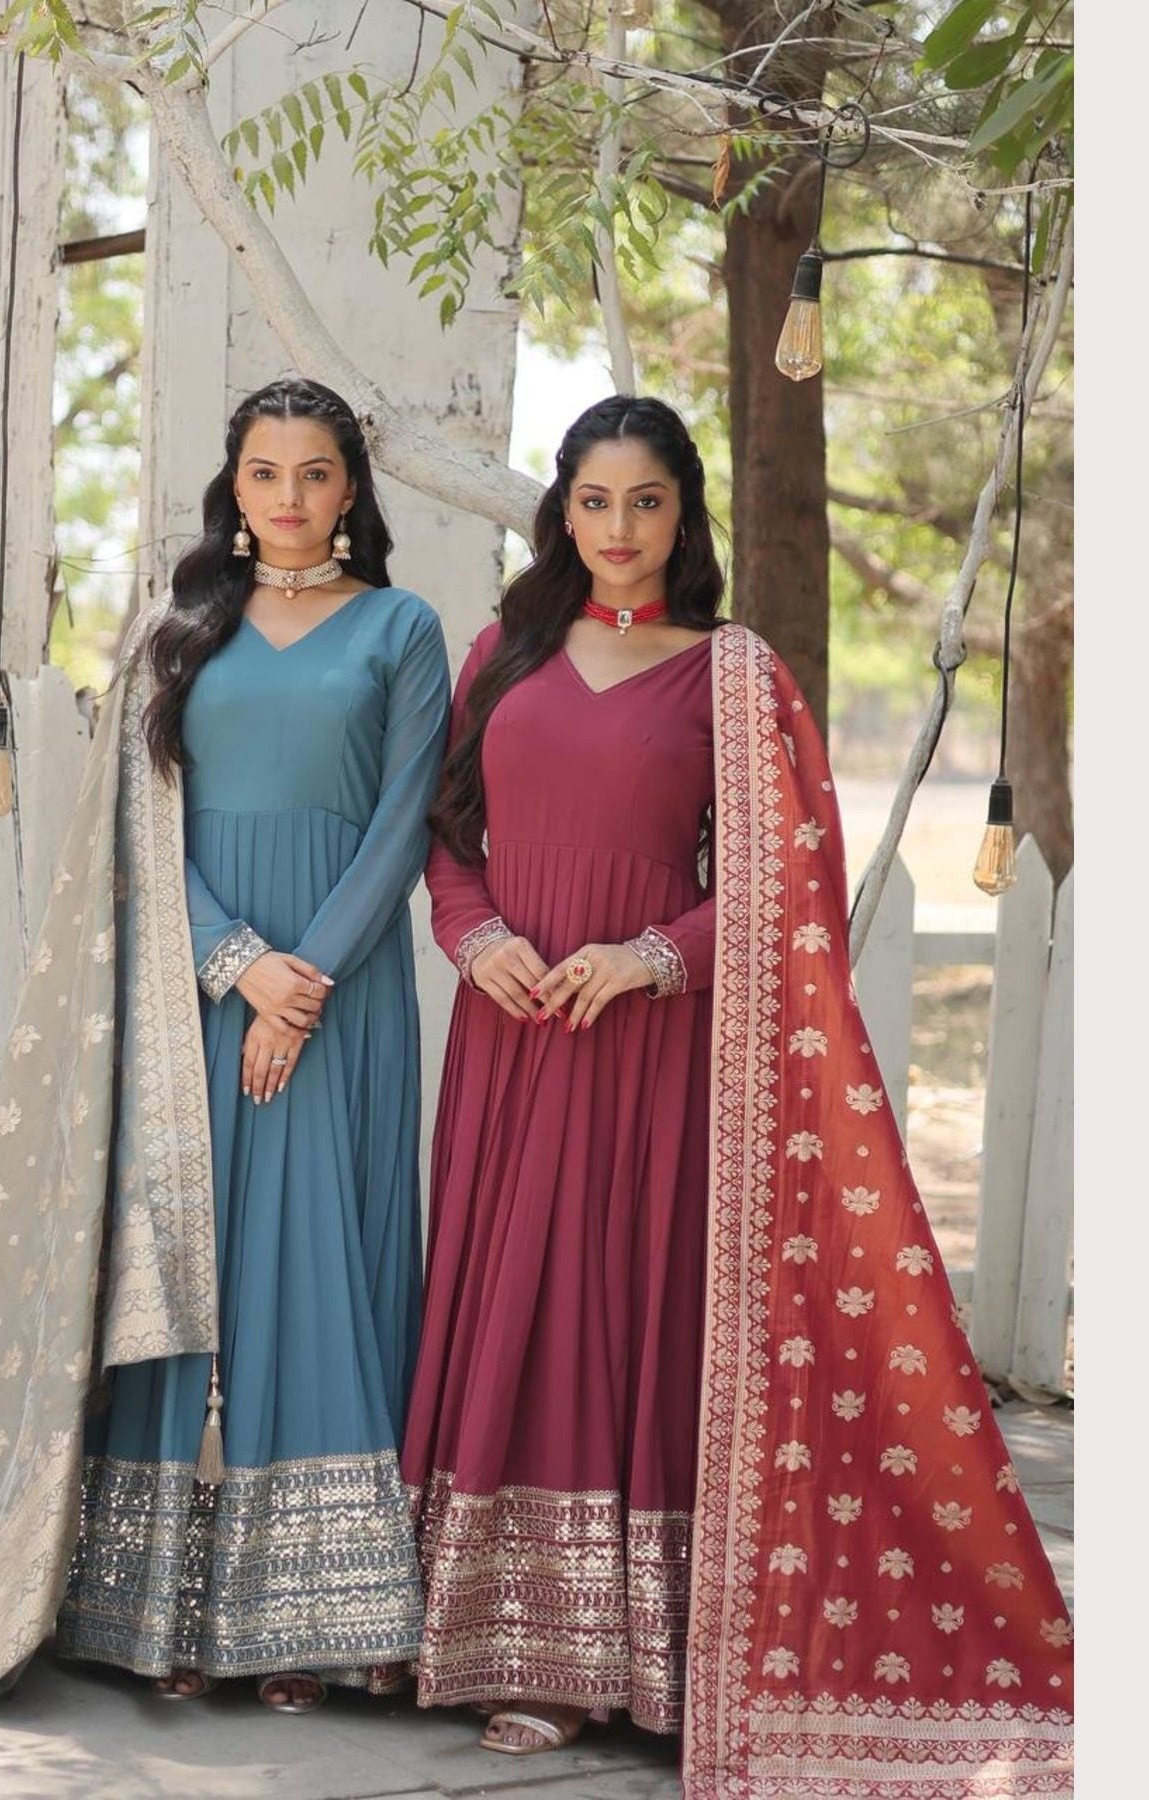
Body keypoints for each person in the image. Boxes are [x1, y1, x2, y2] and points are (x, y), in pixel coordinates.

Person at [399, 396, 1073, 1793]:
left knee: (615, 1304)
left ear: (683, 516)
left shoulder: (732, 673)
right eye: (593, 501)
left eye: (645, 502)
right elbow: (447, 842)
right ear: (561, 513)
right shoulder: (500, 655)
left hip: (649, 1046)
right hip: (515, 1035)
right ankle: (500, 1640)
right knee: (510, 1301)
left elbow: (788, 881)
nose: (619, 528)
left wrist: (651, 958)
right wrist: (479, 944)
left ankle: (626, 1656)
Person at [0, 378, 450, 1717]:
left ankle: (320, 1616)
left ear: (353, 489)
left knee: (325, 1255)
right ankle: (169, 1609)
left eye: (316, 474)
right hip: (194, 996)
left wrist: (302, 985)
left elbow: (405, 815)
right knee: (191, 1265)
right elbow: (139, 834)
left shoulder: (402, 628)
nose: (292, 499)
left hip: (345, 994)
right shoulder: (178, 634)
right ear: (232, 487)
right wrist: (240, 969)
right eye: (266, 473)